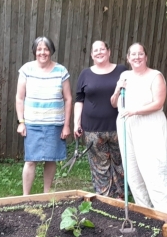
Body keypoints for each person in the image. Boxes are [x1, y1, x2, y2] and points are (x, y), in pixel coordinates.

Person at [115, 42, 167, 213]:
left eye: (140, 54)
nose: (137, 57)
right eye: (133, 54)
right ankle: (144, 210)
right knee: (132, 170)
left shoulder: (156, 76)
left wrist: (135, 111)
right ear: (128, 58)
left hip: (149, 125)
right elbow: (113, 103)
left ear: (146, 57)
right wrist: (117, 89)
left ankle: (162, 212)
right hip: (127, 125)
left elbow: (159, 103)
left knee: (152, 168)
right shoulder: (124, 75)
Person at [16, 36, 72, 195]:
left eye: (46, 49)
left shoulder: (61, 71)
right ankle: (25, 196)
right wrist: (21, 122)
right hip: (32, 123)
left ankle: (46, 194)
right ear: (34, 51)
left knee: (51, 159)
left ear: (51, 51)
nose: (43, 52)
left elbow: (68, 99)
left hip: (54, 123)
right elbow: (19, 98)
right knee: (30, 160)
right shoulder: (26, 69)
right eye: (39, 49)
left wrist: (66, 125)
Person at [74, 40, 127, 199]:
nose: (99, 52)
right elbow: (79, 100)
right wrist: (77, 122)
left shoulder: (122, 71)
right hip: (92, 129)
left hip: (118, 126)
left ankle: (121, 199)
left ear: (109, 51)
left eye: (102, 49)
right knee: (99, 166)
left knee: (121, 164)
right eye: (95, 50)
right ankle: (105, 200)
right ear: (91, 55)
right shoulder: (85, 74)